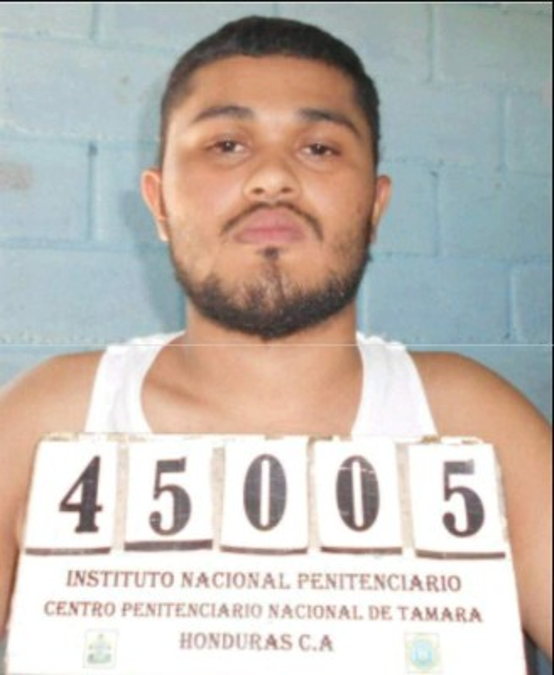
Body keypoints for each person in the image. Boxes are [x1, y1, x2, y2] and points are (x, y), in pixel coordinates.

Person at [0, 15, 551, 663]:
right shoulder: (44, 421)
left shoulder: (478, 423)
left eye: (318, 148)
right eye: (227, 144)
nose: (271, 179)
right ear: (160, 203)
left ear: (375, 208)